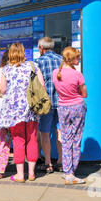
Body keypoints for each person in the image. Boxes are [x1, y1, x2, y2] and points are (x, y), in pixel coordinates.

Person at [0, 43, 45, 183]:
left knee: (18, 140)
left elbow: (2, 90)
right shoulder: (33, 66)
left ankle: (20, 174)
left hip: (14, 111)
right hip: (31, 109)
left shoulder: (5, 70)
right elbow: (42, 85)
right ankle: (31, 173)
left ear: (11, 53)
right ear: (24, 52)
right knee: (32, 139)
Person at [53, 47, 88, 185]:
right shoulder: (77, 75)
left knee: (66, 139)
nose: (79, 59)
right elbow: (84, 94)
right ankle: (72, 172)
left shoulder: (56, 72)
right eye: (77, 57)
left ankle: (67, 171)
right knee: (76, 139)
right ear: (71, 59)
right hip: (77, 107)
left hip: (62, 108)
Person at [34, 36, 63, 174]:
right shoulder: (61, 60)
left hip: (46, 103)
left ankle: (48, 163)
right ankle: (61, 162)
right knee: (60, 131)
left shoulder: (38, 62)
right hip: (62, 101)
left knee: (45, 133)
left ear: (41, 48)